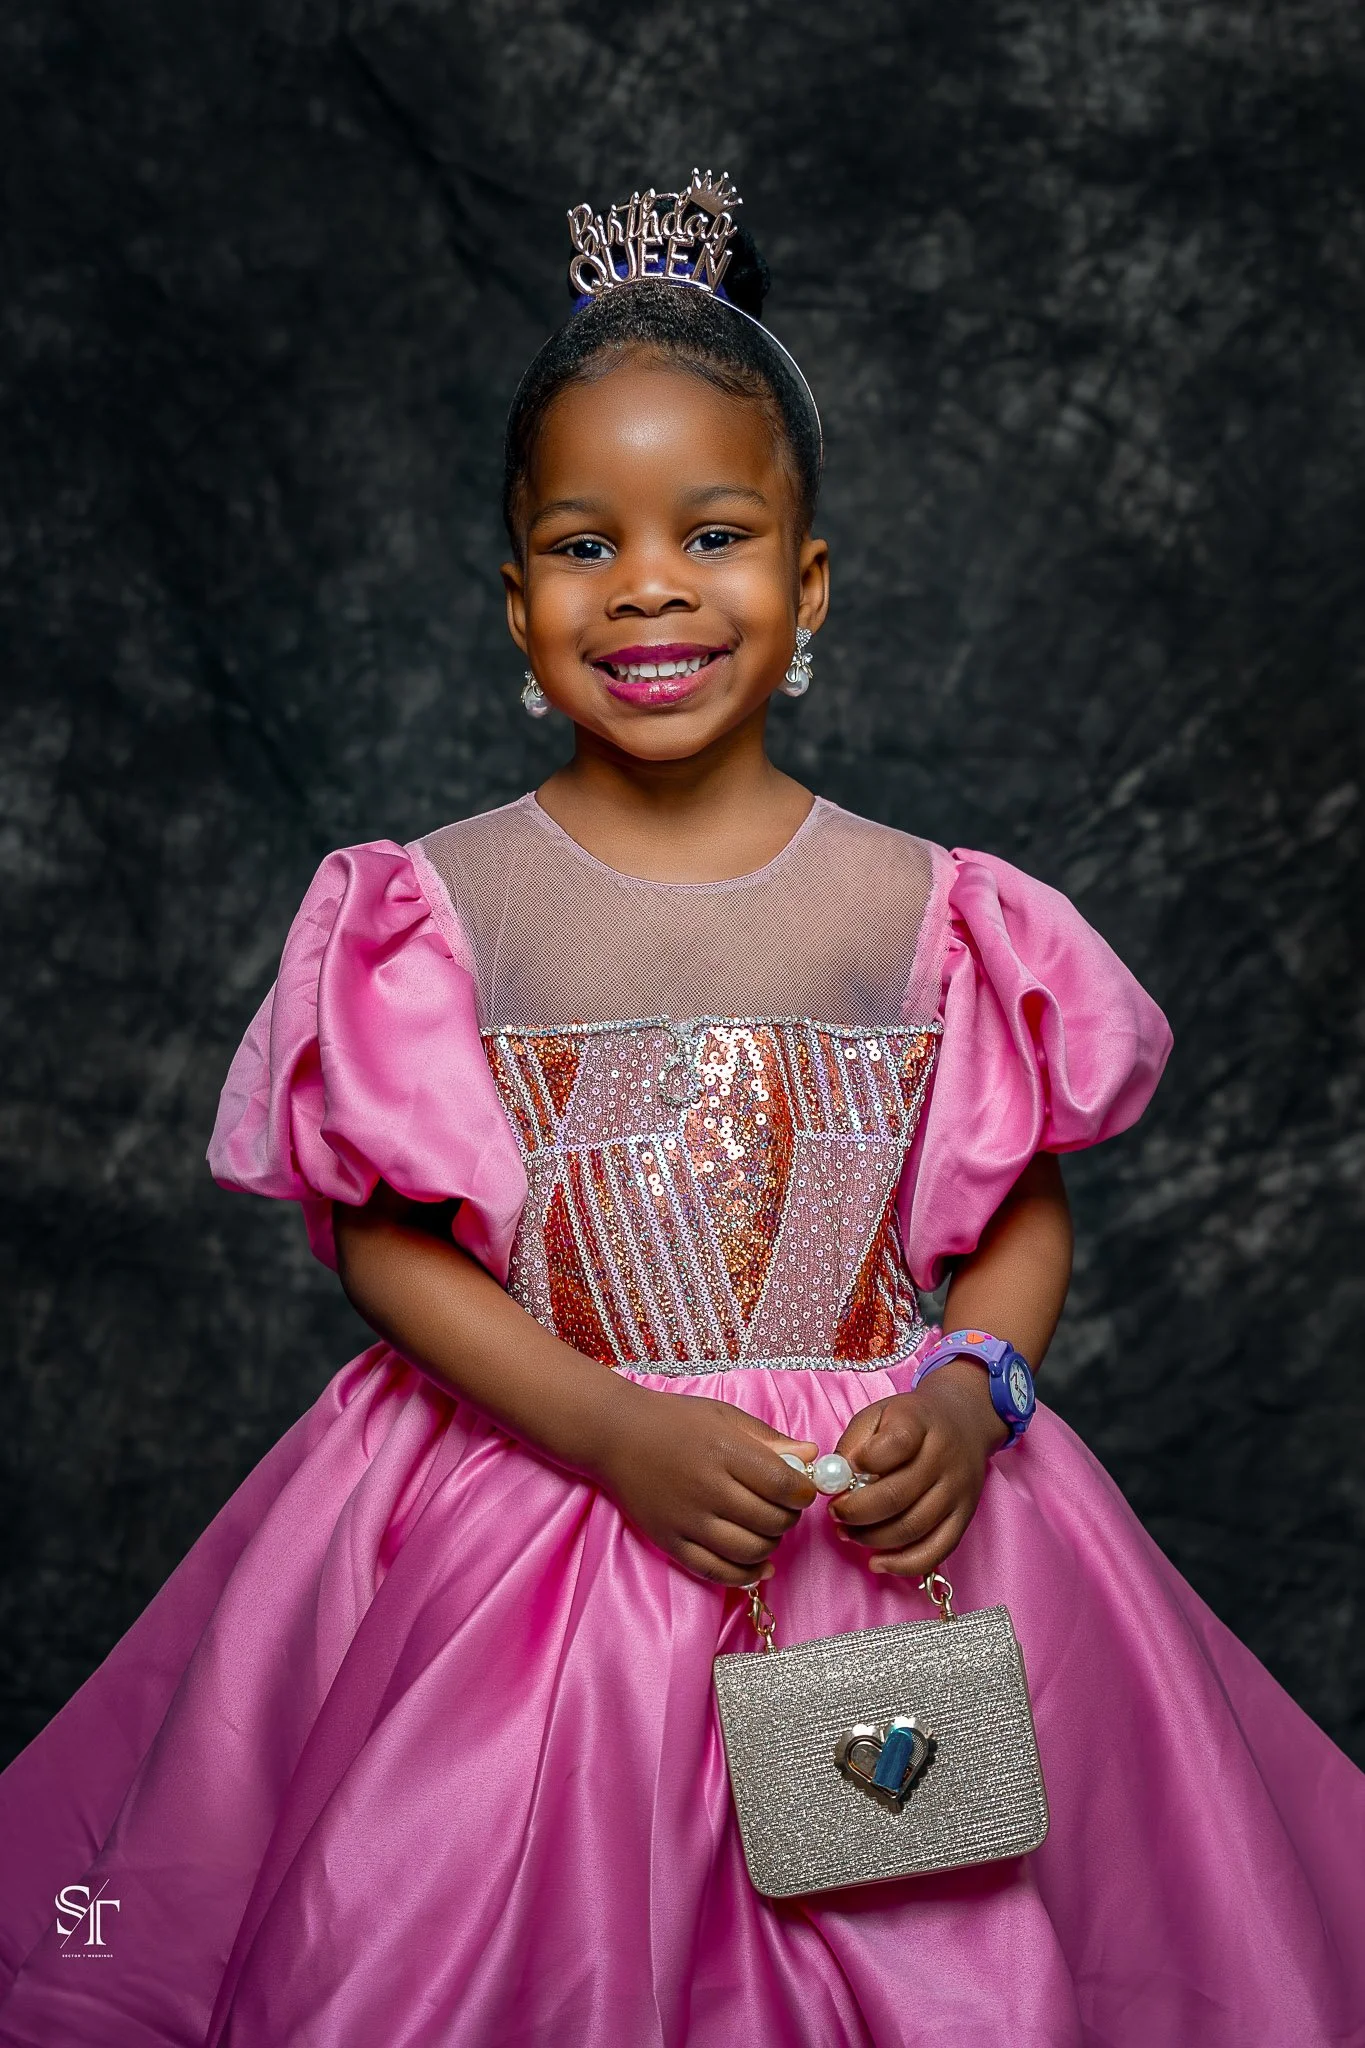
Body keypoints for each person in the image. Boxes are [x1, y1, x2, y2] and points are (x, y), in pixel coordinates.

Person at [1, 175, 1361, 2048]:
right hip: (535, 1500)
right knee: (455, 1930)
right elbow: (384, 1238)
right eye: (584, 542)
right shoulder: (433, 905)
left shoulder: (930, 906)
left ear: (803, 588)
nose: (647, 585)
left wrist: (972, 1392)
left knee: (939, 1933)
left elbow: (1018, 1204)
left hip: (871, 1514)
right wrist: (614, 1431)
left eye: (713, 534)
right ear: (514, 596)